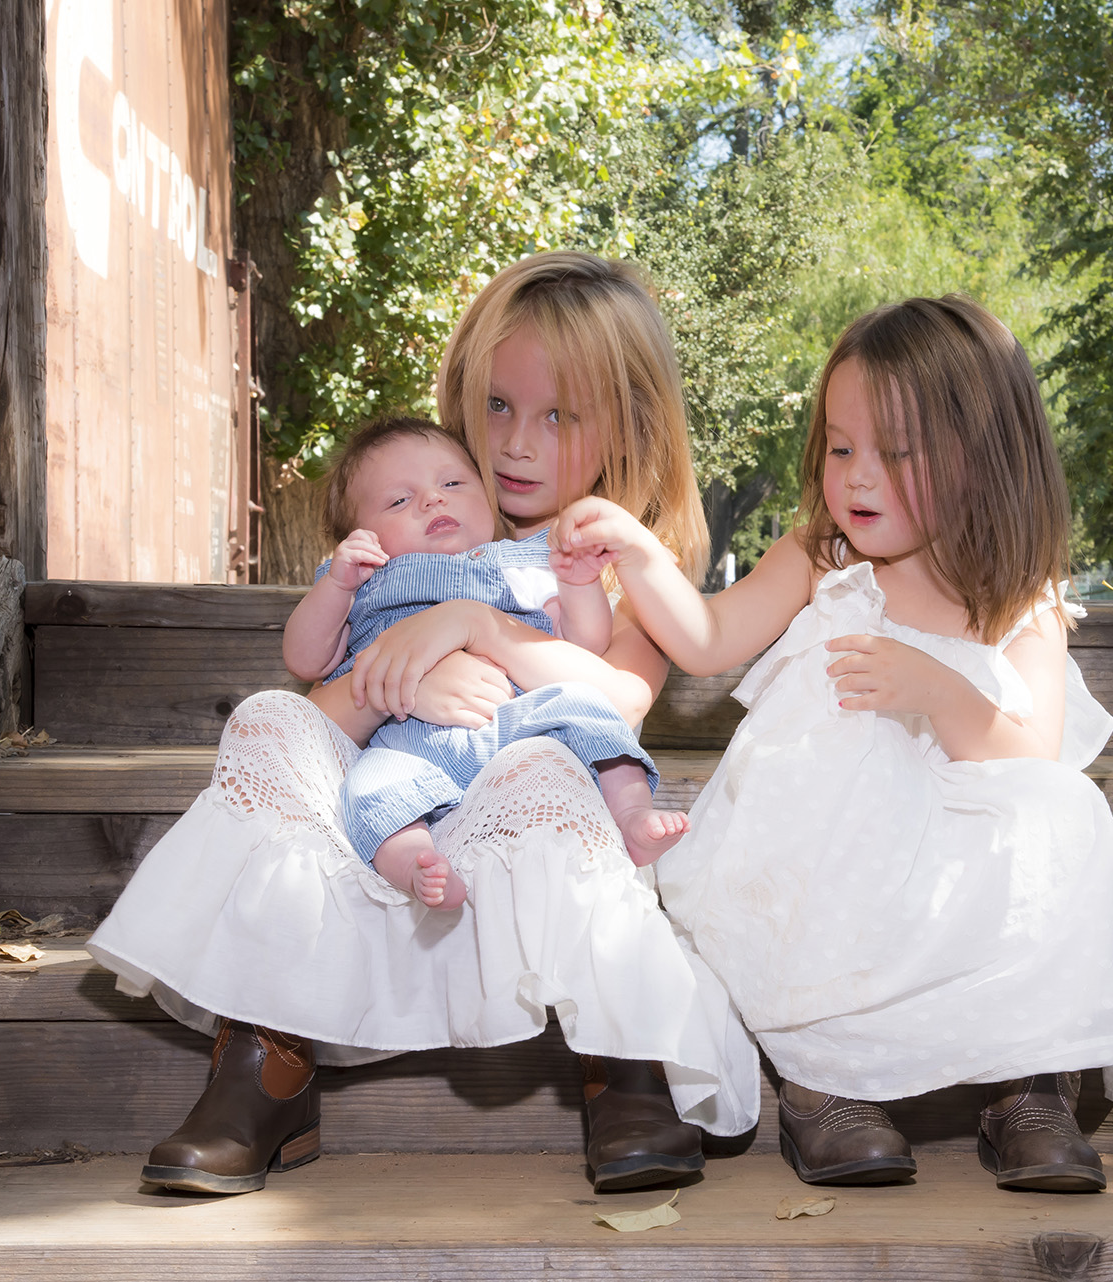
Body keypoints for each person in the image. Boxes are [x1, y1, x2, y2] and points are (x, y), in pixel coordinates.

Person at [86, 252, 760, 1198]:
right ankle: (263, 1064)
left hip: (522, 867)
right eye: (496, 407)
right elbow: (329, 710)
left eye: (558, 417)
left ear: (629, 427)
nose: (518, 444)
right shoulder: (416, 520)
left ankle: (624, 1062)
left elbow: (614, 706)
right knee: (273, 725)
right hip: (397, 838)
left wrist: (476, 627)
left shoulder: (613, 566)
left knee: (550, 770)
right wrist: (408, 677)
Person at [552, 294, 1113, 1192]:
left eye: (895, 454)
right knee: (844, 769)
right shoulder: (825, 557)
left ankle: (1029, 1083)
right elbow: (705, 639)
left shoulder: (1016, 600)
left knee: (1064, 807)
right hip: (825, 856)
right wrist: (633, 551)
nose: (857, 478)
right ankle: (827, 1083)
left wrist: (937, 689)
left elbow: (1033, 750)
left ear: (986, 455)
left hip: (958, 874)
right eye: (841, 447)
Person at [285, 415, 687, 912]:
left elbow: (585, 644)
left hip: (517, 726)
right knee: (369, 791)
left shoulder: (518, 562)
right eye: (398, 500)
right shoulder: (363, 579)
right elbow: (305, 660)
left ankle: (631, 814)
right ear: (361, 537)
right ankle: (417, 865)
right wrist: (337, 585)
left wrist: (578, 584)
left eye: (452, 483)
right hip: (409, 742)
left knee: (583, 705)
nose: (433, 499)